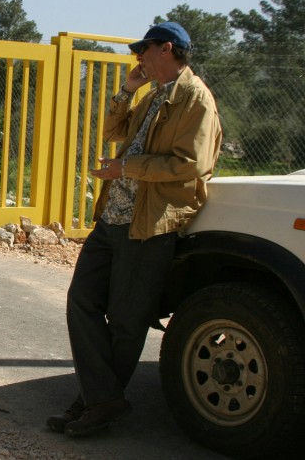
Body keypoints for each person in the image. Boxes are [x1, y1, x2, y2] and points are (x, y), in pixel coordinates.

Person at [46, 22, 222, 437]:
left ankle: (95, 404)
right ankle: (101, 399)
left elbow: (190, 164)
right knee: (82, 301)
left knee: (127, 320)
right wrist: (126, 90)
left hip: (148, 224)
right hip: (113, 218)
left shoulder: (195, 99)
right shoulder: (156, 94)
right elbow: (113, 131)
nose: (139, 57)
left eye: (144, 50)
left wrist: (124, 168)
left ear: (167, 49)